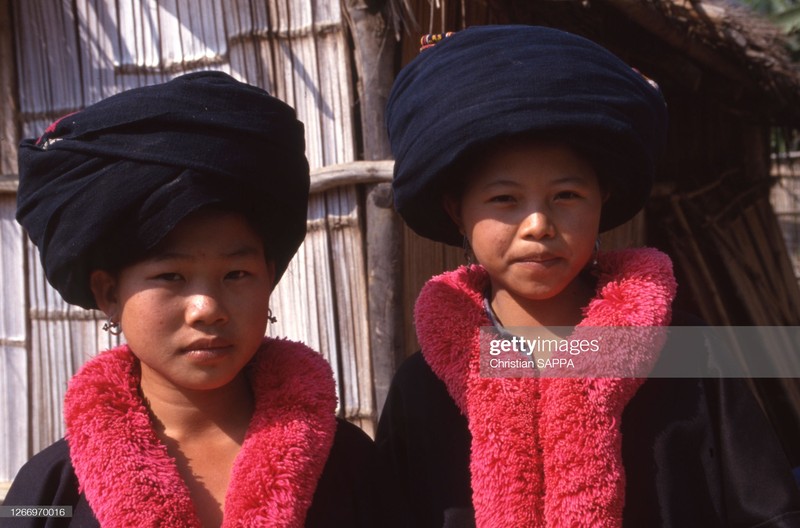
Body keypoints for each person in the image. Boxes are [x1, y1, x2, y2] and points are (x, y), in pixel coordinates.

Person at [376, 25, 800, 527]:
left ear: (604, 198)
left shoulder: (687, 353)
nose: (538, 226)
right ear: (456, 211)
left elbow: (768, 513)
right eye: (505, 199)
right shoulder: (424, 388)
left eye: (567, 196)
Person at [4, 71, 375, 527]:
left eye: (236, 274)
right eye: (171, 276)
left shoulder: (352, 468)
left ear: (270, 278)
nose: (207, 309)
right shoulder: (48, 492)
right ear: (108, 293)